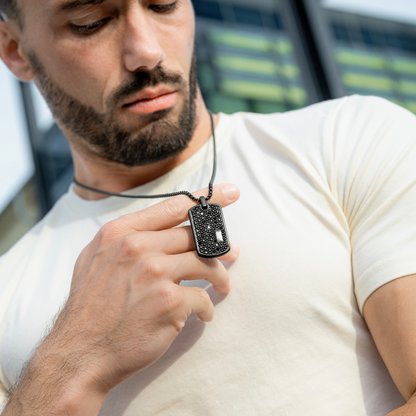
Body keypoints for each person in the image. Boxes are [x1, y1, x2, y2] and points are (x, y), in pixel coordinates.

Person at [0, 0, 416, 414]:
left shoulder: (354, 139)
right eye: (92, 23)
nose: (147, 51)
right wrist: (71, 361)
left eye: (164, 5)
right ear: (16, 50)